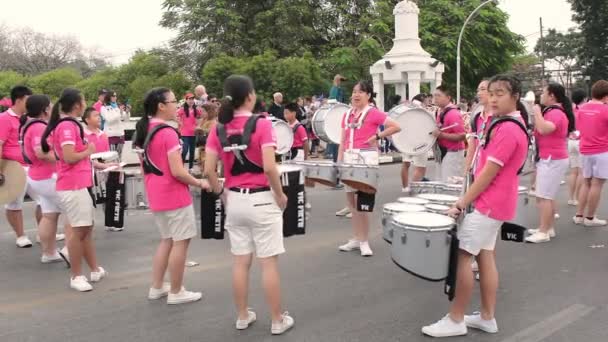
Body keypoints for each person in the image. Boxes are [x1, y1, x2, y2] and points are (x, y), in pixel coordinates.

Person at [422, 74, 529, 337]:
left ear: (515, 96)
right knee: (484, 256)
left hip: (488, 204)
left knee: (462, 257)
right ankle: (486, 317)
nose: (492, 98)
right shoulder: (499, 122)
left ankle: (456, 319)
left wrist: (461, 202)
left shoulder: (508, 129)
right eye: (490, 92)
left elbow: (488, 174)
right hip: (495, 204)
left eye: (500, 93)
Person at [205, 75, 294, 335]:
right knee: (268, 263)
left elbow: (209, 170)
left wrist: (222, 193)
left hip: (235, 199)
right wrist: (280, 195)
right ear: (250, 96)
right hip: (262, 198)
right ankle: (277, 320)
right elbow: (269, 167)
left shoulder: (218, 128)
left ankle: (242, 316)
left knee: (241, 262)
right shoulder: (262, 124)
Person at [133, 87, 208, 304]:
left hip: (156, 193)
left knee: (167, 240)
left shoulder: (143, 130)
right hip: (174, 194)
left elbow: (144, 167)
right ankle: (177, 291)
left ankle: (157, 287)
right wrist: (199, 182)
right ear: (161, 106)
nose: (177, 105)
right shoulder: (167, 132)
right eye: (174, 101)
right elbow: (177, 171)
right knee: (181, 242)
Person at [41, 88, 107, 292]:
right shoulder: (68, 126)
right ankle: (76, 275)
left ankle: (94, 269)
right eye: (84, 100)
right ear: (77, 105)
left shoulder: (67, 124)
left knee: (85, 229)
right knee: (79, 231)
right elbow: (69, 156)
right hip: (73, 184)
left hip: (77, 183)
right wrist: (89, 151)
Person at [338, 81, 401, 257]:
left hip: (366, 161)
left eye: (360, 92)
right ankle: (357, 238)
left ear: (368, 95)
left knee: (364, 203)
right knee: (351, 203)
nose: (356, 95)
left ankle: (364, 240)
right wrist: (339, 161)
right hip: (349, 160)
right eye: (354, 91)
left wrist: (377, 136)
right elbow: (342, 140)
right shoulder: (347, 114)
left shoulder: (373, 113)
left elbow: (396, 126)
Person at [526, 83, 575, 243]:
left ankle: (543, 231)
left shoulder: (555, 112)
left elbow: (545, 129)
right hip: (550, 157)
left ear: (552, 96)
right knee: (547, 195)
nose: (541, 96)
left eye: (544, 93)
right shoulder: (554, 111)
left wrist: (537, 113)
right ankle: (547, 227)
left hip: (552, 158)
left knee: (544, 196)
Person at [21, 95, 64, 262]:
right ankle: (69, 250)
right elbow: (41, 153)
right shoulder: (39, 127)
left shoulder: (30, 125)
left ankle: (49, 253)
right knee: (74, 213)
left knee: (49, 215)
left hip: (38, 177)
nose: (53, 107)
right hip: (48, 177)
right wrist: (65, 156)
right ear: (44, 109)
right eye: (51, 105)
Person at [0, 85, 42, 248]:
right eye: (28, 100)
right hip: (13, 167)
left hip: (32, 166)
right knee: (14, 203)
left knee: (44, 200)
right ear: (19, 100)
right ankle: (20, 235)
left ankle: (43, 231)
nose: (30, 103)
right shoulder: (4, 118)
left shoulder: (29, 118)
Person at [573, 80, 608, 227]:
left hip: (585, 150)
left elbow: (580, 129)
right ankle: (590, 218)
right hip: (601, 151)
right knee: (597, 184)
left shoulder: (582, 109)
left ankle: (579, 215)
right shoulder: (606, 110)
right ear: (605, 95)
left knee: (586, 182)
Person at [432, 85, 467, 182]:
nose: (435, 98)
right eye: (434, 95)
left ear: (448, 97)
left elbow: (462, 136)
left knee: (450, 183)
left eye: (438, 95)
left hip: (453, 153)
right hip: (443, 152)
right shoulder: (440, 111)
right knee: (442, 182)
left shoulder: (453, 114)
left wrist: (441, 135)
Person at [401, 93, 429, 192]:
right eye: (427, 100)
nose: (428, 102)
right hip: (419, 139)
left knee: (405, 163)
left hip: (405, 139)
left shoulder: (406, 107)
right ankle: (415, 189)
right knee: (420, 166)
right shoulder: (421, 108)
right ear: (422, 99)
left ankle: (405, 187)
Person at [567, 89, 586, 206]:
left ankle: (571, 198)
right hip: (581, 141)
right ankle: (578, 198)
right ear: (583, 99)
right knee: (581, 172)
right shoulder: (584, 111)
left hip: (570, 140)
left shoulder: (570, 110)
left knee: (573, 171)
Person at [177, 93, 202, 170]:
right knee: (184, 150)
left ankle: (191, 168)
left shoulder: (196, 110)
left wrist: (198, 125)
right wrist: (180, 123)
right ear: (186, 100)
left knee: (192, 152)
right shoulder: (182, 109)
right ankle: (181, 167)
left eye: (192, 99)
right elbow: (175, 116)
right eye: (189, 99)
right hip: (184, 134)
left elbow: (201, 117)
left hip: (193, 134)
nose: (191, 101)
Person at [101, 91, 125, 159]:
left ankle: (119, 169)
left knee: (119, 155)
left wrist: (126, 112)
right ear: (109, 97)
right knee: (112, 156)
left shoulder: (117, 106)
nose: (115, 97)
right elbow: (109, 119)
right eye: (113, 96)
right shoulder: (104, 107)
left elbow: (124, 119)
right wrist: (119, 113)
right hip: (110, 134)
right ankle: (113, 169)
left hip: (120, 133)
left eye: (116, 96)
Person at [196, 103, 218, 170]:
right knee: (202, 165)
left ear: (209, 112)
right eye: (201, 111)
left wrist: (201, 130)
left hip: (209, 148)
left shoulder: (213, 121)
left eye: (203, 111)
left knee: (209, 167)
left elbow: (212, 132)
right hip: (202, 146)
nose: (201, 113)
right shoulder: (203, 120)